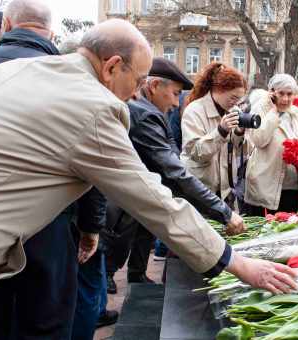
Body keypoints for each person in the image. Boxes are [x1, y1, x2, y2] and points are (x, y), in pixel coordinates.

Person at [0, 19, 297, 340]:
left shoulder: (9, 71)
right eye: (137, 79)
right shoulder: (95, 106)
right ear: (112, 66)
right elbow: (155, 202)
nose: (137, 92)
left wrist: (88, 228)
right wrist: (239, 264)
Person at [0, 2, 107, 339]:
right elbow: (90, 162)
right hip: (48, 221)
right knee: (45, 319)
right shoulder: (66, 72)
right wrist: (90, 226)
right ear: (51, 31)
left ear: (8, 23)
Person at [103, 57, 245, 292]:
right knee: (113, 250)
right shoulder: (145, 114)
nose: (176, 102)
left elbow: (173, 156)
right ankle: (107, 283)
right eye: (174, 93)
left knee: (142, 236)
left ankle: (133, 279)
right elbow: (178, 167)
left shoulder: (151, 111)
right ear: (154, 85)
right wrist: (224, 213)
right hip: (125, 199)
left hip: (153, 189)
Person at [181, 62, 250, 211]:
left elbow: (238, 152)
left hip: (225, 190)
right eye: (233, 97)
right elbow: (196, 152)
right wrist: (221, 131)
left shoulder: (231, 110)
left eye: (239, 99)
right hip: (200, 189)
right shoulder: (195, 111)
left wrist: (239, 133)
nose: (235, 103)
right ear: (218, 90)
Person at [243, 75, 298, 215]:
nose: (286, 99)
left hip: (291, 186)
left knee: (286, 230)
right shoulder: (260, 109)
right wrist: (273, 112)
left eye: (289, 94)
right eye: (281, 93)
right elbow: (259, 139)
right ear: (272, 92)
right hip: (265, 186)